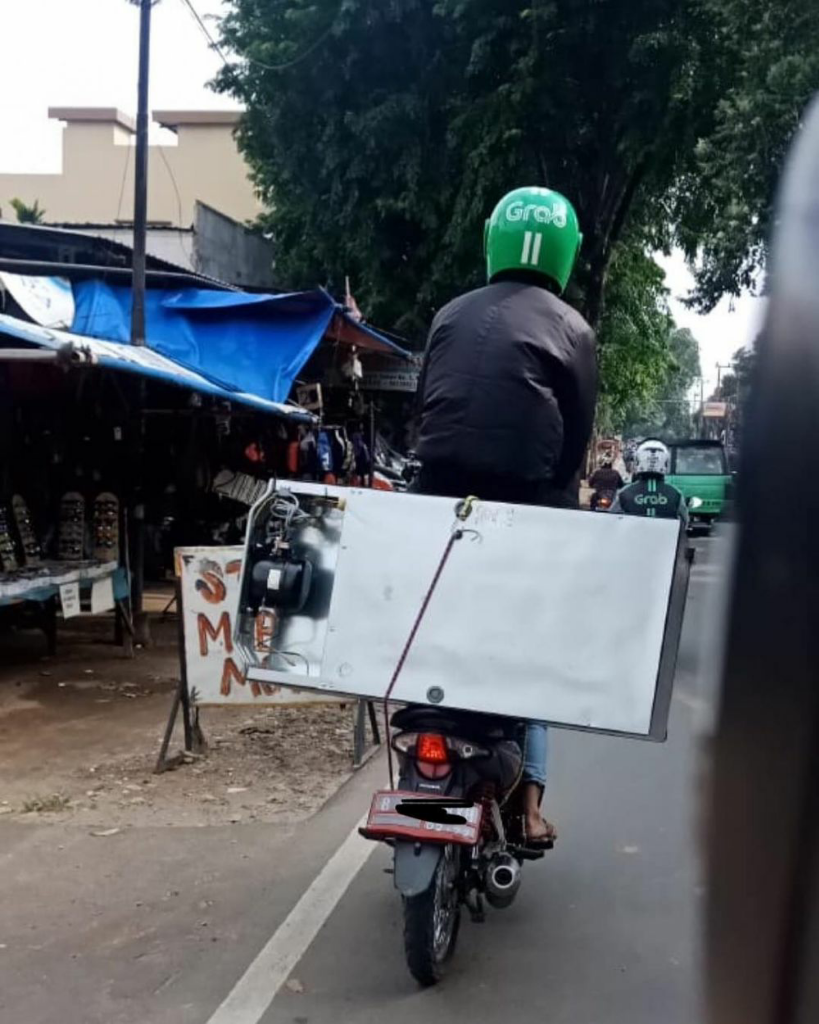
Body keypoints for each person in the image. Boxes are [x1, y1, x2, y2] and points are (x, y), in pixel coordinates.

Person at [414, 185, 597, 847]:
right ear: (565, 253)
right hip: (528, 511)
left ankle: (418, 780)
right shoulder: (573, 327)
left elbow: (423, 414)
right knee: (531, 663)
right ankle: (529, 808)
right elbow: (573, 446)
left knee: (418, 626)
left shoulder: (448, 315)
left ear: (492, 238)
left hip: (433, 502)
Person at [609, 439, 688, 522]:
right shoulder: (675, 494)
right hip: (666, 535)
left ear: (638, 461)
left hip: (632, 534)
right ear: (665, 462)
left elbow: (611, 519)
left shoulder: (624, 493)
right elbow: (685, 520)